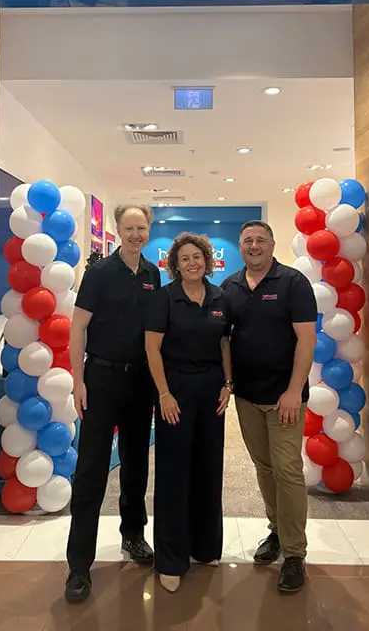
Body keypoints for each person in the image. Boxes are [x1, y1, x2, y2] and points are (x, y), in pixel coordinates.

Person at [65, 204, 161, 603]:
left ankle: (133, 536)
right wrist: (78, 382)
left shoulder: (154, 274)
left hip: (140, 381)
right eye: (129, 227)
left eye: (141, 228)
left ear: (148, 230)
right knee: (90, 471)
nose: (136, 234)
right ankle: (78, 567)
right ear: (118, 230)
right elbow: (77, 328)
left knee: (137, 464)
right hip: (101, 380)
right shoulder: (99, 273)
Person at [222, 221, 317, 593]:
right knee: (264, 467)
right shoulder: (230, 287)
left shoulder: (293, 283)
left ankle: (295, 553)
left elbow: (306, 340)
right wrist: (229, 384)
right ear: (240, 246)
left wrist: (294, 390)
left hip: (285, 398)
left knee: (288, 469)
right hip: (247, 396)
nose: (255, 246)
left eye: (261, 240)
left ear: (273, 244)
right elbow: (224, 340)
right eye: (248, 240)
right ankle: (276, 531)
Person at [145, 233, 232, 593]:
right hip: (175, 391)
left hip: (212, 391)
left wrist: (228, 384)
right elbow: (152, 347)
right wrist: (163, 393)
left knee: (209, 468)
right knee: (173, 473)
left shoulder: (220, 298)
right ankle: (170, 558)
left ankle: (206, 547)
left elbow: (224, 342)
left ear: (207, 261)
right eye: (185, 259)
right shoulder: (165, 298)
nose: (192, 263)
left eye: (197, 257)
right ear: (175, 265)